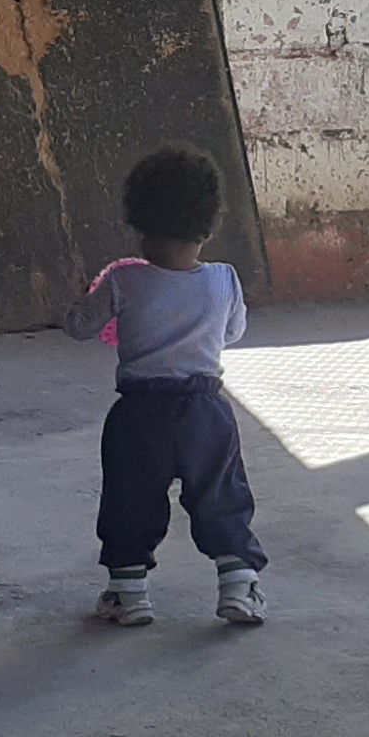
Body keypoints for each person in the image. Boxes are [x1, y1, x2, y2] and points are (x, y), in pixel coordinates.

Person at [63, 146, 265, 628]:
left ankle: (129, 594)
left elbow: (78, 326)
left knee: (130, 500)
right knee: (221, 494)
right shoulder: (224, 279)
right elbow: (233, 332)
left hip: (139, 413)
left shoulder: (123, 279)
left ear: (138, 223)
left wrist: (83, 296)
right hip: (205, 410)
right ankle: (238, 585)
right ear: (209, 226)